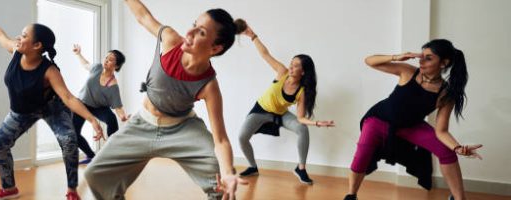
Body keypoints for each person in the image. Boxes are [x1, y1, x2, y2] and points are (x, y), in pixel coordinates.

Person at [83, 0, 248, 199]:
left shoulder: (209, 85)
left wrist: (229, 173)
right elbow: (143, 16)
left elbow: (220, 140)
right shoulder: (171, 40)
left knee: (222, 186)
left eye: (201, 32)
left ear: (215, 49)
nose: (190, 33)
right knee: (95, 174)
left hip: (182, 128)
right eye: (194, 25)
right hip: (142, 124)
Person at [0, 3, 103, 200]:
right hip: (21, 112)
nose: (19, 38)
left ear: (37, 46)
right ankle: (9, 188)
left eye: (24, 36)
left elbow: (68, 97)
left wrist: (92, 119)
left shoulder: (49, 71)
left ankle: (72, 190)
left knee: (69, 141)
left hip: (52, 108)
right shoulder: (16, 52)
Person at [344, 39, 483, 200]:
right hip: (378, 119)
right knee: (362, 155)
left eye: (428, 58)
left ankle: (459, 198)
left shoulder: (446, 93)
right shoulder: (408, 71)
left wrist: (458, 148)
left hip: (411, 126)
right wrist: (397, 56)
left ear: (444, 63)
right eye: (421, 56)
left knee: (446, 150)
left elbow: (441, 130)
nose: (421, 61)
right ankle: (351, 195)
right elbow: (369, 61)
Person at [236, 21, 335, 185]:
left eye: (296, 66)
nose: (291, 67)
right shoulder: (282, 72)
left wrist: (316, 123)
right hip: (260, 110)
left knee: (302, 129)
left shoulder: (301, 91)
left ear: (303, 72)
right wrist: (252, 36)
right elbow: (265, 54)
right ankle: (253, 167)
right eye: (292, 63)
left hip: (280, 115)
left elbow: (301, 118)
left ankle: (301, 168)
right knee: (242, 137)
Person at [71, 44, 129, 165]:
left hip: (99, 108)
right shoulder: (97, 67)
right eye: (106, 57)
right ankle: (91, 156)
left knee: (111, 119)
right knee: (73, 133)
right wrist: (78, 54)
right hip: (82, 103)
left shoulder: (113, 85)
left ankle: (112, 154)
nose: (106, 60)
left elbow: (117, 106)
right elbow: (86, 64)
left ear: (116, 66)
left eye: (111, 60)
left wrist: (123, 116)